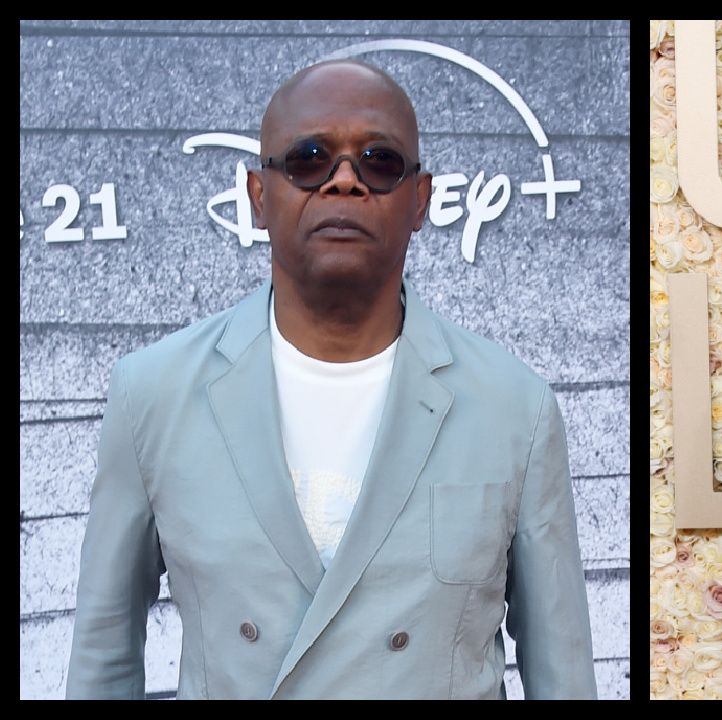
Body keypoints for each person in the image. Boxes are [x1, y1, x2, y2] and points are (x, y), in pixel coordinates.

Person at [65, 59, 596, 700]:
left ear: (420, 199)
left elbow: (561, 674)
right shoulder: (152, 393)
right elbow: (102, 659)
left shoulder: (515, 407)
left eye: (379, 162)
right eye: (309, 159)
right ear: (259, 196)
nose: (344, 182)